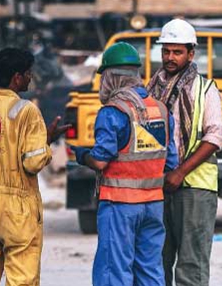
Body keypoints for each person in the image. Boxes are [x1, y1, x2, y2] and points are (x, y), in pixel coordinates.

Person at [0, 47, 69, 286]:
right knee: (22, 280)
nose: (30, 78)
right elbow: (33, 161)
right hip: (17, 210)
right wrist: (46, 143)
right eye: (28, 73)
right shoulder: (26, 111)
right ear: (17, 77)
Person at [71, 42, 178, 286]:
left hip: (120, 205)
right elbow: (171, 161)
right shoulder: (160, 110)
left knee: (114, 272)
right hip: (153, 204)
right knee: (150, 271)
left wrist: (81, 155)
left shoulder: (113, 111)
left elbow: (99, 161)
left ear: (111, 77)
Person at [146, 19, 222, 286]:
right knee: (157, 261)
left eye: (177, 52)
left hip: (194, 187)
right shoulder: (150, 89)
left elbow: (214, 138)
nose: (170, 57)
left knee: (192, 264)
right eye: (166, 51)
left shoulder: (205, 89)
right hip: (157, 186)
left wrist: (179, 172)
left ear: (191, 54)